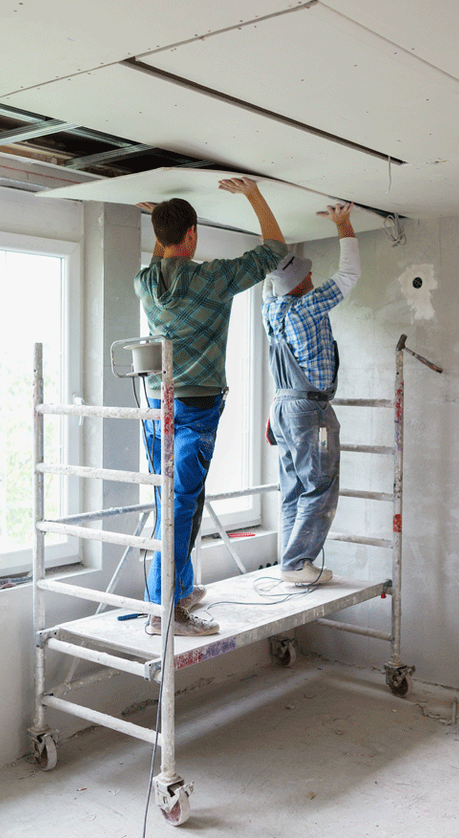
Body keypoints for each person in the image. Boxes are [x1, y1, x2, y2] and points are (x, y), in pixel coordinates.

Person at [135, 177, 287, 635]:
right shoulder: (211, 279)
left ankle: (176, 589)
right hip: (197, 407)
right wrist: (252, 195)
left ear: (161, 240)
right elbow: (275, 251)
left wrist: (162, 228)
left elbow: (161, 260)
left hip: (159, 406)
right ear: (193, 234)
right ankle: (166, 611)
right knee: (182, 506)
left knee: (175, 500)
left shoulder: (145, 284)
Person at [262, 202, 360, 585]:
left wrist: (277, 258)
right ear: (301, 284)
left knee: (293, 487)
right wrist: (343, 223)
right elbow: (349, 273)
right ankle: (297, 563)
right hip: (309, 410)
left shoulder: (271, 310)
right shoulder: (307, 307)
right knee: (319, 484)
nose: (314, 278)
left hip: (283, 407)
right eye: (308, 276)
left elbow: (273, 280)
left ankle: (292, 561)